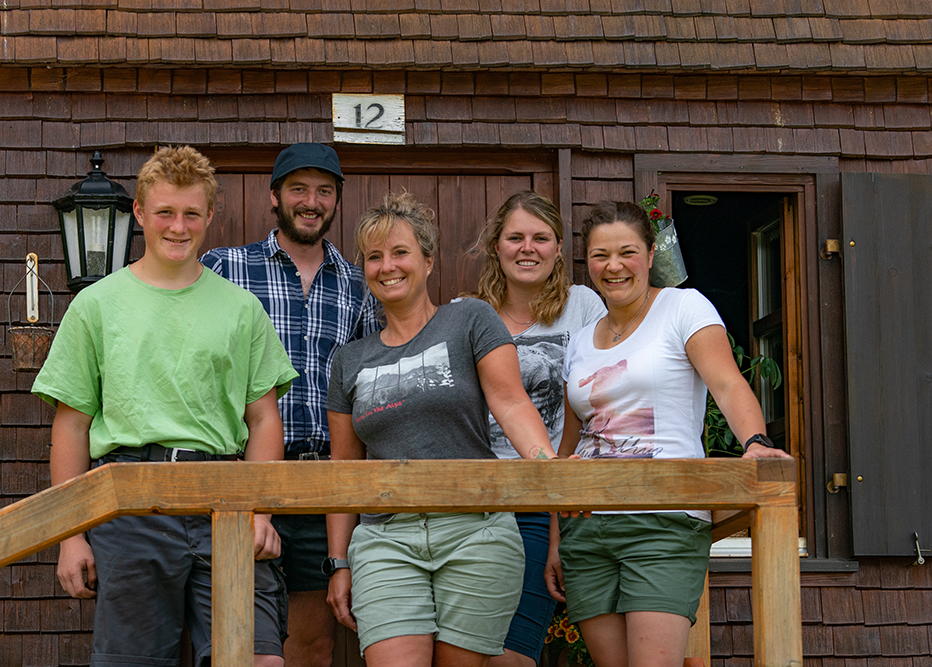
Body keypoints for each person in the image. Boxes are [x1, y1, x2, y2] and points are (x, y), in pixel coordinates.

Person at [32, 146, 299, 667]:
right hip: (130, 502)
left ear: (209, 216)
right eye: (165, 213)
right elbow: (71, 425)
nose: (179, 227)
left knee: (255, 658)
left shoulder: (242, 308)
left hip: (227, 498)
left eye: (191, 214)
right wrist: (70, 536)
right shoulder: (96, 306)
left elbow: (264, 416)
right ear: (139, 213)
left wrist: (262, 510)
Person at [546, 201, 792, 667]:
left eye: (627, 252)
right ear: (587, 261)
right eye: (600, 255)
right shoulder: (579, 341)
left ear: (650, 252)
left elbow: (727, 383)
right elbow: (569, 444)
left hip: (664, 517)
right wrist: (558, 537)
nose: (613, 266)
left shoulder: (683, 306)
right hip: (587, 526)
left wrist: (755, 443)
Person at [325, 191, 560, 667]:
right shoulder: (350, 359)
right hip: (386, 538)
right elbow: (344, 469)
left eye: (400, 252)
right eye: (374, 257)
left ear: (428, 261)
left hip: (475, 531)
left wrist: (550, 471)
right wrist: (339, 562)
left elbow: (511, 402)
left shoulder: (469, 319)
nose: (387, 266)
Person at [201, 142, 380, 667]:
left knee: (311, 646)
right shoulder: (223, 267)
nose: (311, 201)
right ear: (274, 197)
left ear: (337, 200)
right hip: (239, 475)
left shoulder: (358, 283)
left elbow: (368, 384)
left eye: (324, 191)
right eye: (298, 189)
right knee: (233, 643)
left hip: (322, 483)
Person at [463, 191, 606, 667]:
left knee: (513, 653)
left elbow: (595, 398)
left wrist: (560, 511)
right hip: (474, 505)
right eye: (516, 237)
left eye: (541, 238)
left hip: (543, 501)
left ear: (560, 248)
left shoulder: (583, 306)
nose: (528, 248)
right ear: (496, 246)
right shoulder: (466, 312)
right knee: (463, 650)